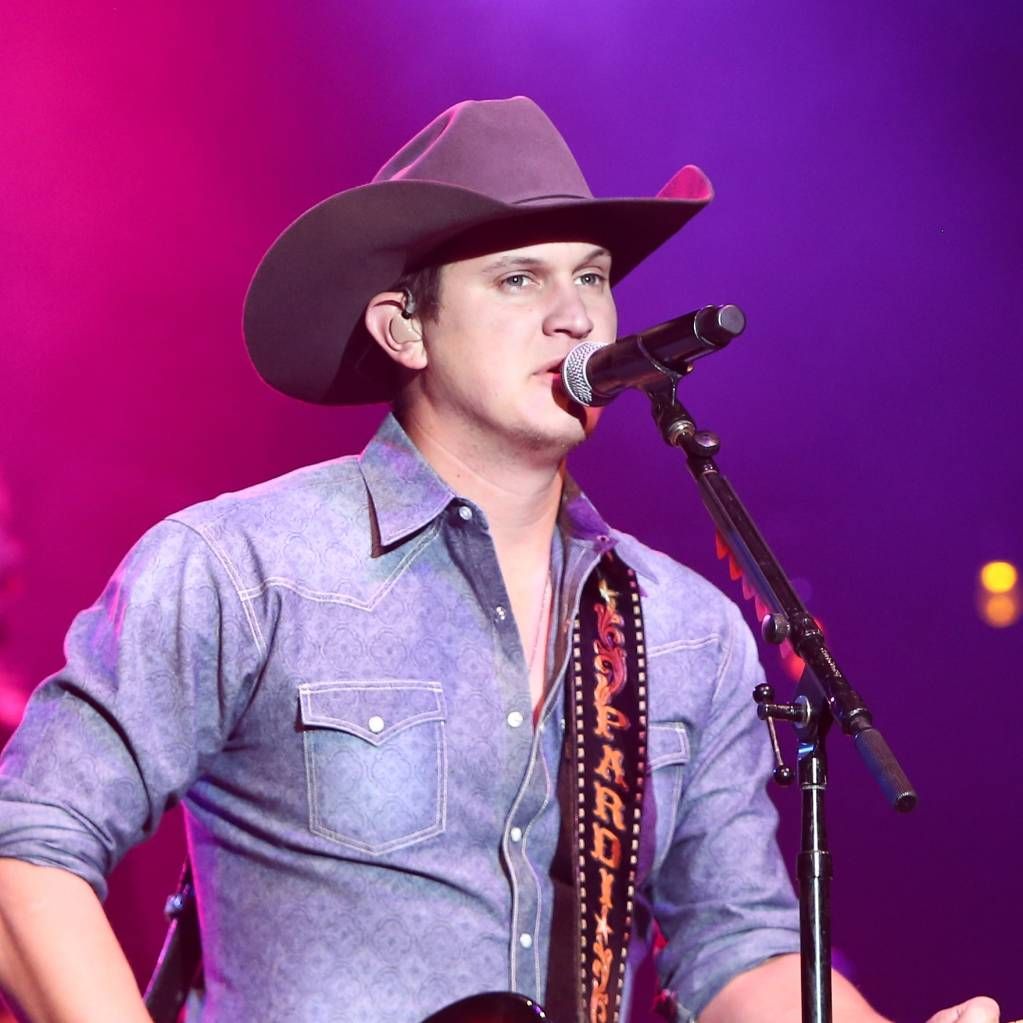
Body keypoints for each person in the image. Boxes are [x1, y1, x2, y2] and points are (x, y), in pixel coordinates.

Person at [0, 98, 999, 1023]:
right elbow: (23, 852)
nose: (576, 317)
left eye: (592, 278)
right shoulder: (243, 569)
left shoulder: (683, 630)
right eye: (520, 278)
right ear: (404, 329)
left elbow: (737, 952)